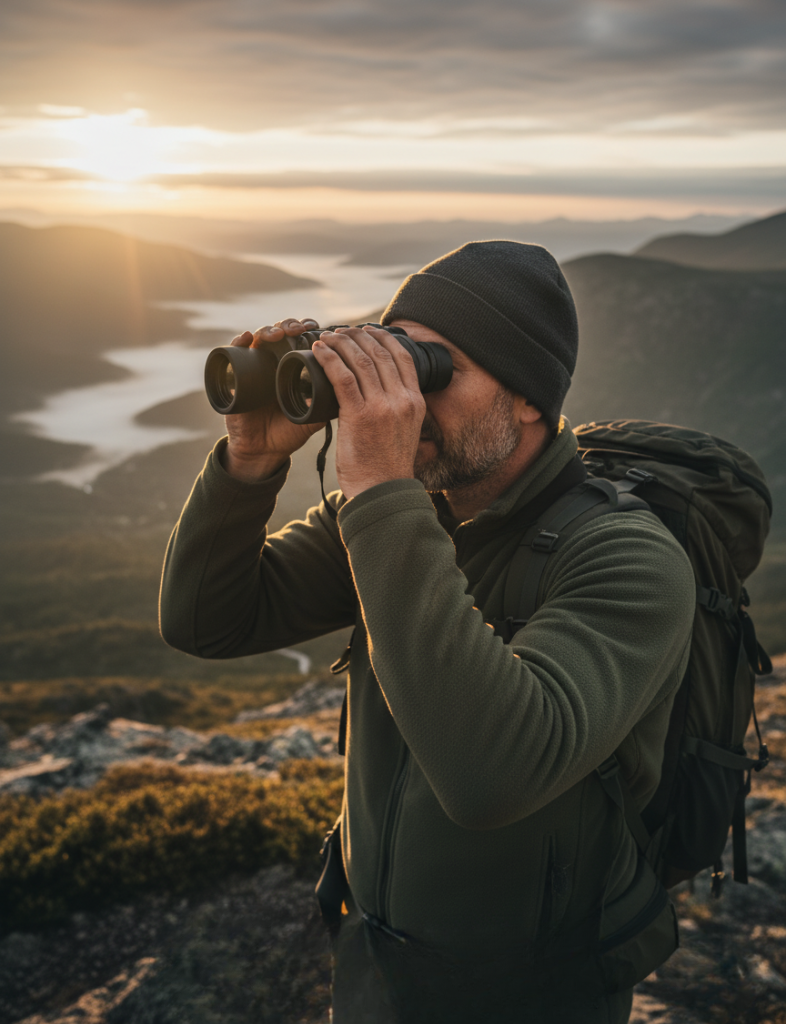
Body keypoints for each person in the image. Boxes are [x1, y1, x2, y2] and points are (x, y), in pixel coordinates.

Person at [159, 241, 695, 1023]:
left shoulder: (626, 558)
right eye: (394, 361)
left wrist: (381, 488)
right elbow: (206, 619)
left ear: (529, 400)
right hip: (373, 962)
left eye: (431, 369)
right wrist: (249, 461)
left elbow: (491, 777)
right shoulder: (404, 516)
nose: (403, 396)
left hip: (532, 994)